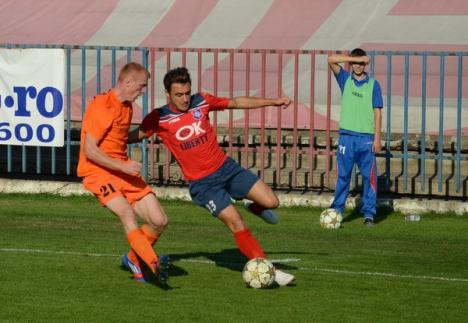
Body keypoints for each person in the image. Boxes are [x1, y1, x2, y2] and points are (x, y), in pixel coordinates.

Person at [128, 66, 295, 286]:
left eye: (187, 93)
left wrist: (272, 101)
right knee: (237, 223)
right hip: (204, 185)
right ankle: (267, 269)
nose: (185, 98)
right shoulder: (159, 118)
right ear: (168, 95)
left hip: (227, 168)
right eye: (179, 95)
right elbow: (133, 136)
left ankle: (253, 205)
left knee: (272, 202)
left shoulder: (202, 101)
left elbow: (236, 102)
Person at [77, 62, 169, 284]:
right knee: (127, 214)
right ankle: (153, 263)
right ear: (127, 82)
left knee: (159, 220)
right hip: (97, 172)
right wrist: (123, 166)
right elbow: (90, 150)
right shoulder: (102, 106)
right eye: (141, 87)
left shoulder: (126, 106)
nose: (142, 92)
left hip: (121, 169)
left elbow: (118, 138)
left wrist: (148, 132)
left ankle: (133, 259)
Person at [327, 48, 383, 227]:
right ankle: (337, 212)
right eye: (355, 62)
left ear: (365, 64)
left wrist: (377, 138)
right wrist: (353, 58)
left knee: (369, 178)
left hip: (366, 138)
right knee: (343, 177)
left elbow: (378, 113)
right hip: (346, 138)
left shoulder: (374, 84)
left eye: (361, 63)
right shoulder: (344, 79)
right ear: (351, 63)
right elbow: (330, 60)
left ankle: (369, 215)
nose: (358, 66)